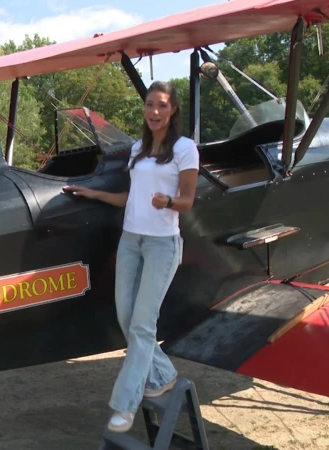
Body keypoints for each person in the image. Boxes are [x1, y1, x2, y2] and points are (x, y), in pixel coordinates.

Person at [63, 80, 200, 432]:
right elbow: (130, 198)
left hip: (161, 245)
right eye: (150, 105)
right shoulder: (138, 147)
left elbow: (187, 200)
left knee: (142, 324)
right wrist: (91, 193)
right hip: (131, 241)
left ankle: (125, 405)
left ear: (173, 110)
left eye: (162, 105)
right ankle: (164, 375)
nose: (155, 111)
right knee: (127, 319)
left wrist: (167, 201)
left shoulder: (185, 149)